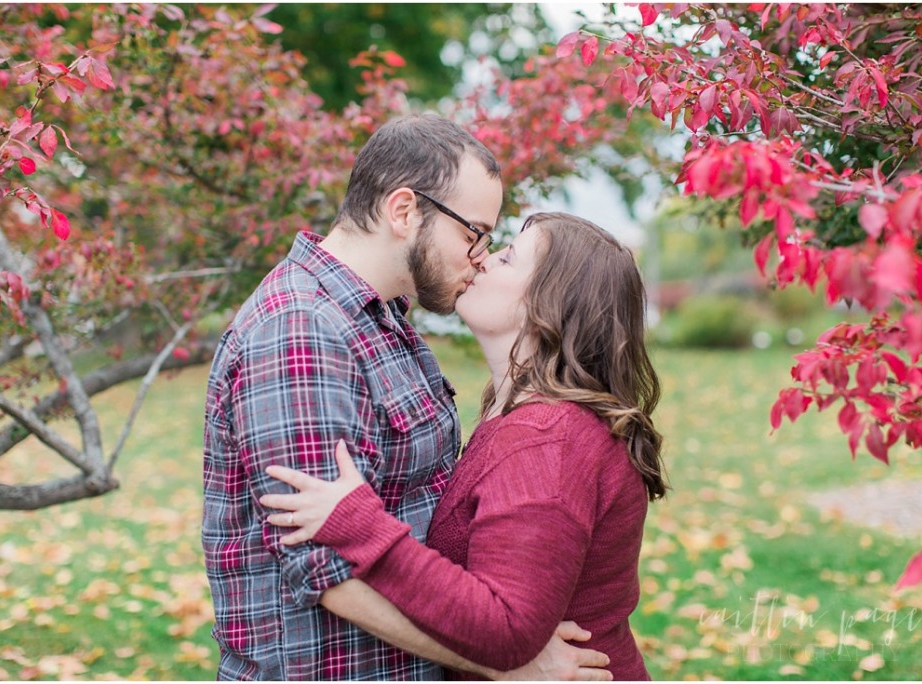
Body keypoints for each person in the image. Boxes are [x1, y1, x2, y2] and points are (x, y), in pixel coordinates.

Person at [202, 114, 611, 680]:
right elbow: (327, 574)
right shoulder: (302, 331)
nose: (479, 256)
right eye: (473, 232)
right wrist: (508, 665)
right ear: (403, 211)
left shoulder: (383, 318)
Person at [260, 212, 668, 680]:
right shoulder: (525, 417)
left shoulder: (544, 439)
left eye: (509, 257)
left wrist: (362, 528)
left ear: (550, 305)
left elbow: (509, 630)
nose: (484, 259)